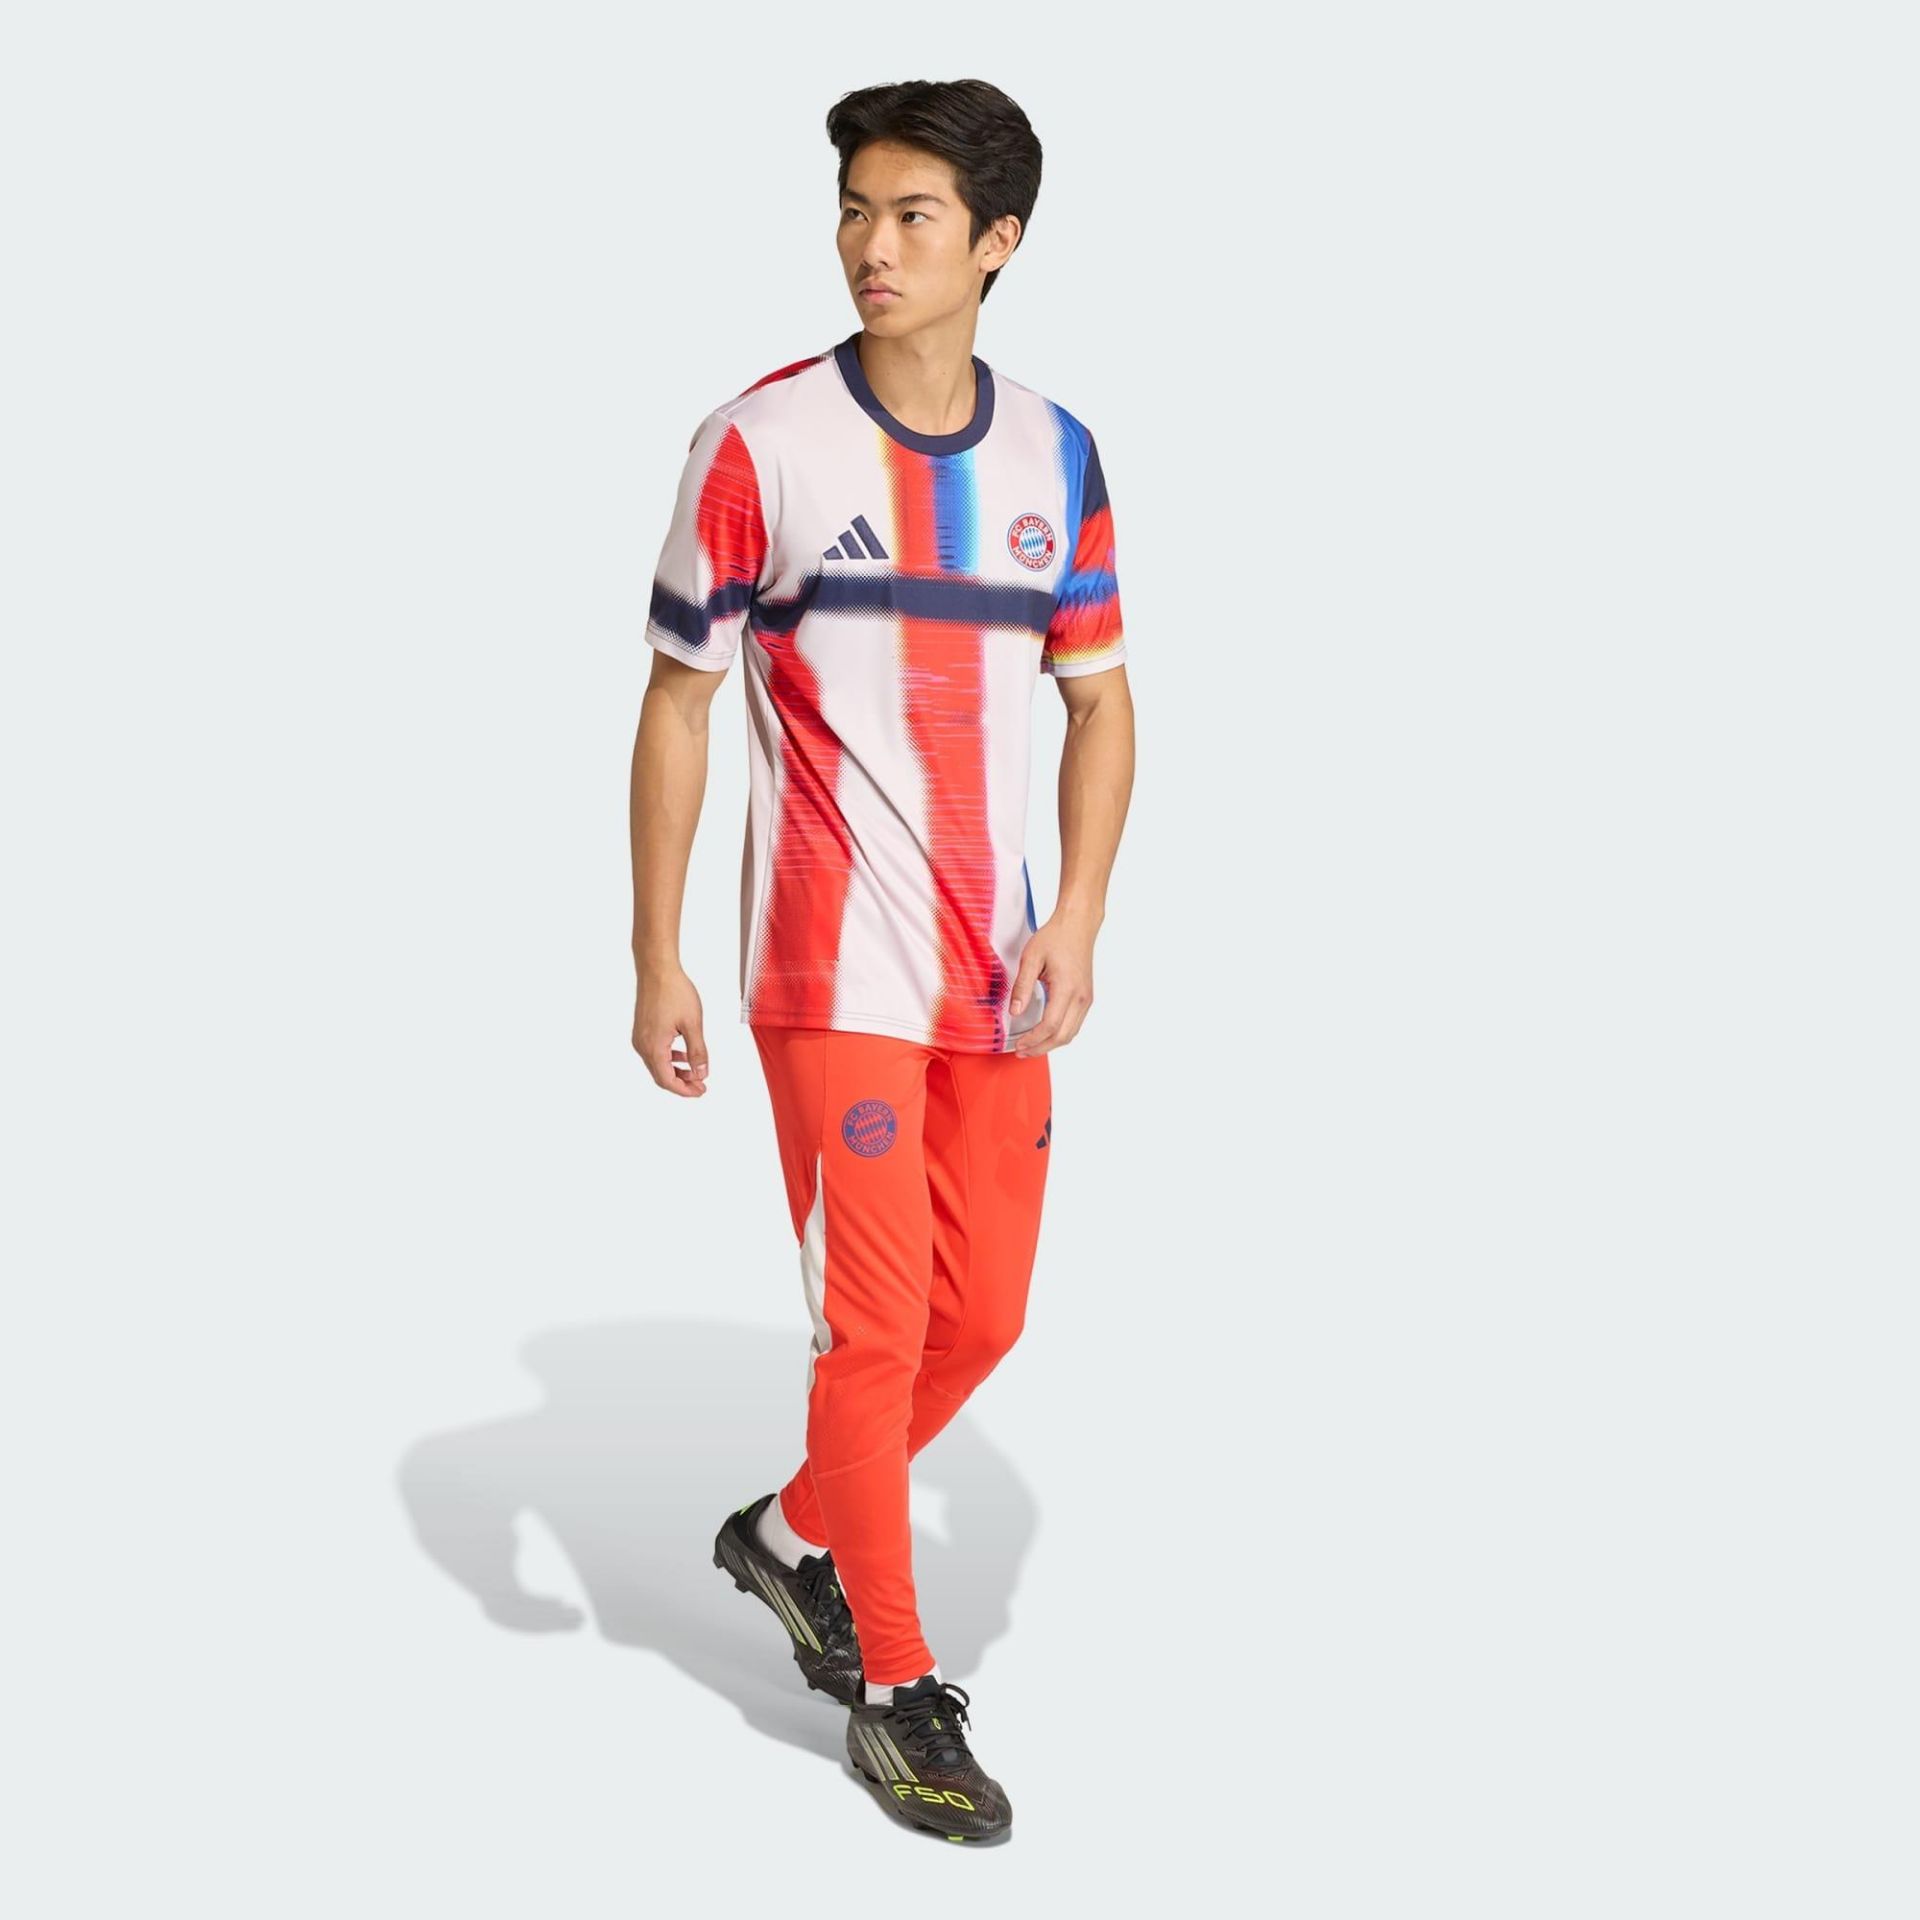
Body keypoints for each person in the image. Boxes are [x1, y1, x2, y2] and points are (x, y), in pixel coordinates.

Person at [629, 77, 1134, 1845]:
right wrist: (656, 955)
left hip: (998, 977)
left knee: (983, 1315)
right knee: (877, 1324)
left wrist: (1079, 912)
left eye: (915, 215)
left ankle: (788, 1534)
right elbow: (678, 704)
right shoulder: (759, 443)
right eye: (857, 207)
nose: (872, 243)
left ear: (998, 243)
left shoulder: (1058, 455)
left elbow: (1103, 702)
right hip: (825, 969)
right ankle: (899, 1690)